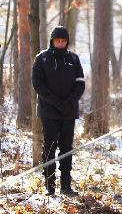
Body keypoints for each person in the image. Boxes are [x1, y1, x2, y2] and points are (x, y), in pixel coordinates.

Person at [31, 26, 85, 196]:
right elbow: (37, 84)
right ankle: (50, 186)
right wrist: (56, 103)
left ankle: (66, 186)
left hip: (69, 112)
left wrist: (68, 103)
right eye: (57, 41)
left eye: (63, 41)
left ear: (67, 42)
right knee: (49, 148)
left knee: (66, 149)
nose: (60, 44)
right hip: (49, 111)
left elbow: (80, 83)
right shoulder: (42, 59)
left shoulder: (74, 59)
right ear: (52, 41)